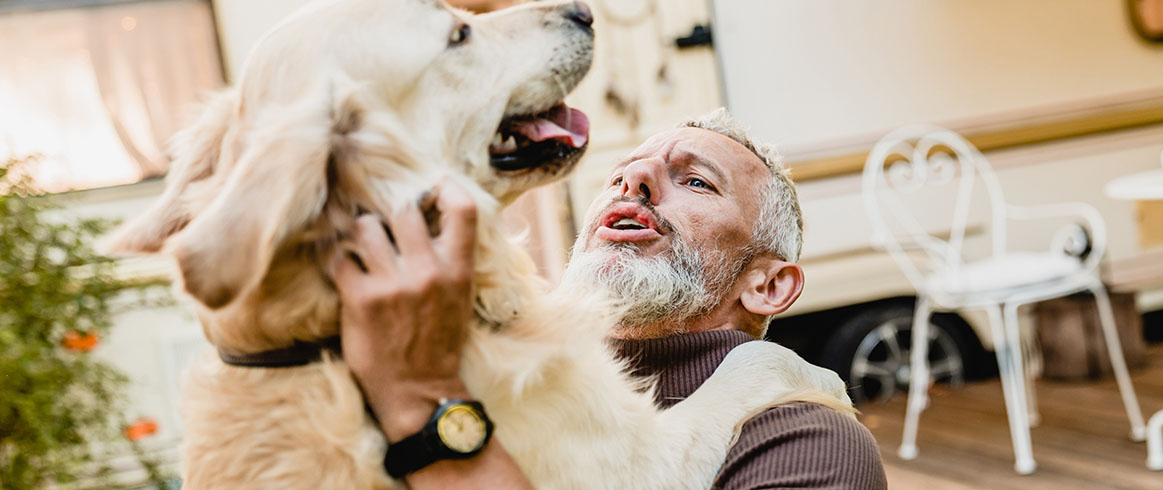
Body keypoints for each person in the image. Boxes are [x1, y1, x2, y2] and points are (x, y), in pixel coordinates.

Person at [329, 108, 888, 489]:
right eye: (620, 177)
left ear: (766, 286)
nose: (634, 182)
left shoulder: (805, 439)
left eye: (697, 182)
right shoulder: (509, 373)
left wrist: (422, 408)